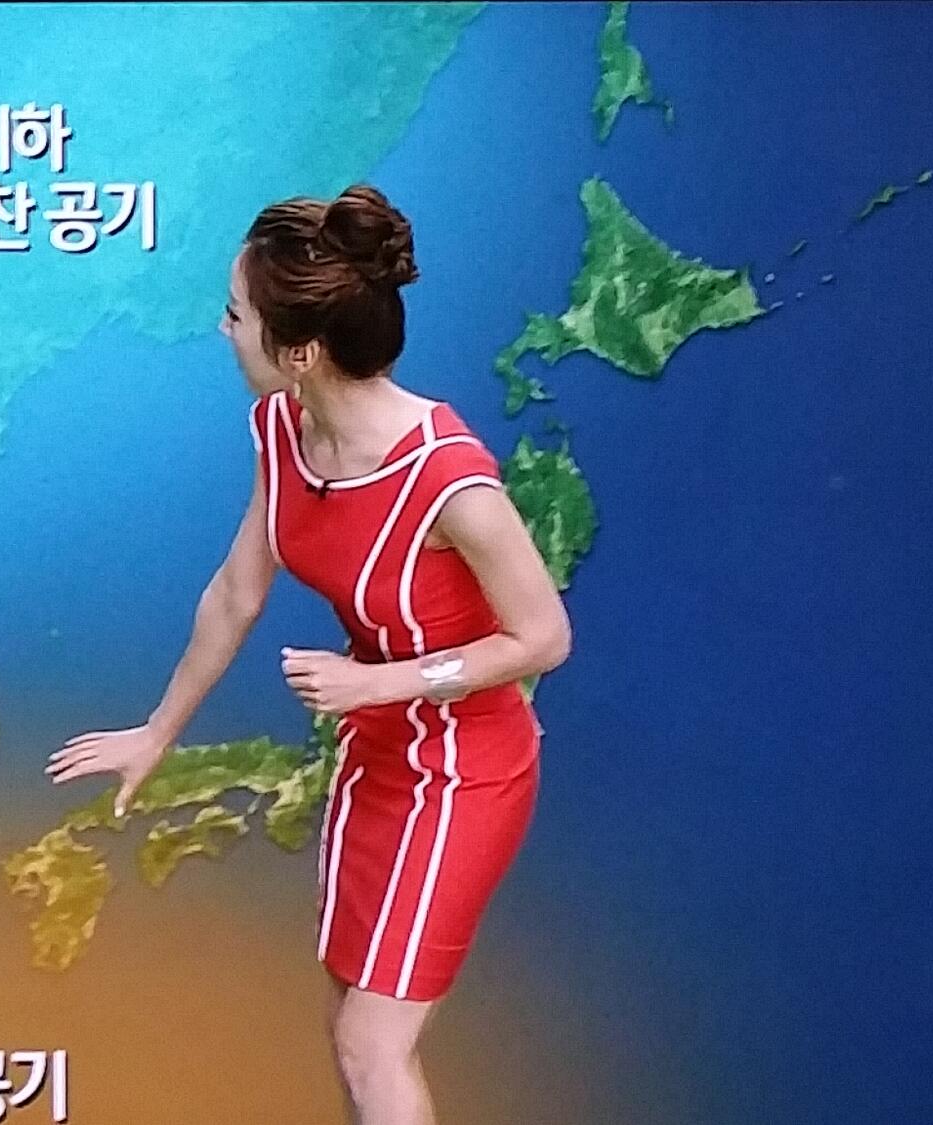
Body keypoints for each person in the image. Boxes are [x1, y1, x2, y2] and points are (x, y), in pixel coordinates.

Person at [46, 183, 571, 1124]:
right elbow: (237, 593)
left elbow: (543, 637)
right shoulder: (284, 433)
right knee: (350, 1022)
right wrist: (157, 733)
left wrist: (381, 682)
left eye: (235, 315)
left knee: (374, 1045)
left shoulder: (449, 480)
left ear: (299, 351)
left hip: (467, 772)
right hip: (376, 759)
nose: (222, 332)